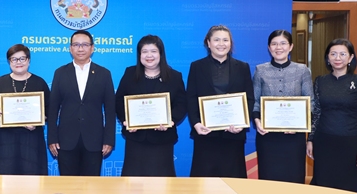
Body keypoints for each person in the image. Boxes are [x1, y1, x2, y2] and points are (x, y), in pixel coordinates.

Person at [187, 25, 254, 178]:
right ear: (208, 43)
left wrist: (242, 123)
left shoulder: (242, 67)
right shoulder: (197, 66)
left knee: (233, 181)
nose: (221, 44)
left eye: (225, 40)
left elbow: (249, 98)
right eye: (216, 40)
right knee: (204, 183)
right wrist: (196, 123)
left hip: (233, 135)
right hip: (206, 134)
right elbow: (190, 97)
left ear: (230, 43)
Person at [115, 35, 187, 177]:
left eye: (153, 51)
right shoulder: (130, 73)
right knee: (133, 183)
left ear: (161, 53)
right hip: (136, 139)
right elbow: (119, 101)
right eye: (144, 51)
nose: (149, 55)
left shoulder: (174, 76)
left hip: (162, 139)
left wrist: (170, 121)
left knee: (161, 183)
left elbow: (182, 104)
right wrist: (126, 120)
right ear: (139, 55)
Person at [47, 30, 115, 176]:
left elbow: (110, 110)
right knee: (67, 185)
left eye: (85, 45)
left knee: (91, 185)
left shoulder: (104, 74)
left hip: (94, 141)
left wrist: (109, 140)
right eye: (76, 45)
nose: (80, 49)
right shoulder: (60, 73)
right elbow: (53, 109)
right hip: (65, 141)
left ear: (92, 48)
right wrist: (52, 138)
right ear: (70, 48)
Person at [307, 39, 357, 193]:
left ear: (350, 58)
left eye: (343, 54)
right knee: (323, 187)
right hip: (324, 142)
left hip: (350, 143)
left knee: (350, 188)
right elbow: (316, 112)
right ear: (328, 57)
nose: (337, 58)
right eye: (333, 54)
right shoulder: (320, 81)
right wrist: (310, 139)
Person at [252, 30, 313, 184]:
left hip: (294, 138)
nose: (278, 47)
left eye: (283, 43)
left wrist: (298, 126)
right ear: (269, 47)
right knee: (268, 180)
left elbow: (311, 102)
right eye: (274, 44)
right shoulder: (260, 70)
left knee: (293, 180)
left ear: (291, 46)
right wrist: (257, 121)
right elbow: (255, 100)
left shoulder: (302, 70)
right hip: (268, 137)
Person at [0, 44, 50, 175]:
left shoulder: (39, 82)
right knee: (5, 175)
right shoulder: (0, 82)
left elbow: (49, 110)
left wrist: (38, 121)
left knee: (32, 175)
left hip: (32, 138)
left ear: (28, 60)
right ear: (9, 62)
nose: (18, 62)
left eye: (22, 58)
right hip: (6, 138)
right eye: (14, 59)